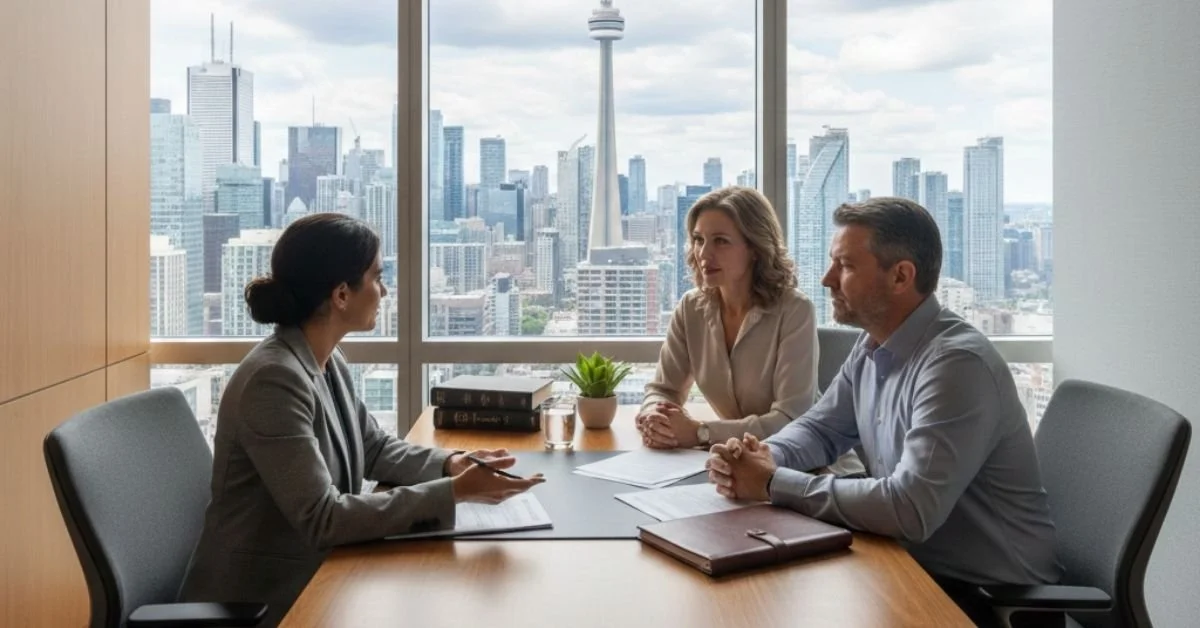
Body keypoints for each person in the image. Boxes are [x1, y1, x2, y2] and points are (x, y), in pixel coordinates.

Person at [705, 197, 1061, 625]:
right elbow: (821, 429)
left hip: (989, 600)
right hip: (908, 564)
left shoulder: (956, 366)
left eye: (846, 266)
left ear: (901, 276)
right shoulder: (874, 343)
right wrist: (762, 454)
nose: (826, 279)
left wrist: (772, 482)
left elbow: (909, 509)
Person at [178, 213, 544, 625]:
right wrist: (453, 492)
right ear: (341, 294)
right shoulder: (274, 380)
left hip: (325, 576)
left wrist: (449, 464)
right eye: (376, 276)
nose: (384, 290)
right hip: (265, 599)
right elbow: (324, 518)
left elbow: (372, 446)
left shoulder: (324, 359)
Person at [636, 186, 862, 477]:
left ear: (754, 248)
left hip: (817, 471)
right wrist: (653, 415)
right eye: (698, 240)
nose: (704, 253)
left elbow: (790, 420)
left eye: (721, 242)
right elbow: (663, 390)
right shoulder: (691, 308)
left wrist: (701, 432)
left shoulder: (794, 310)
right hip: (743, 466)